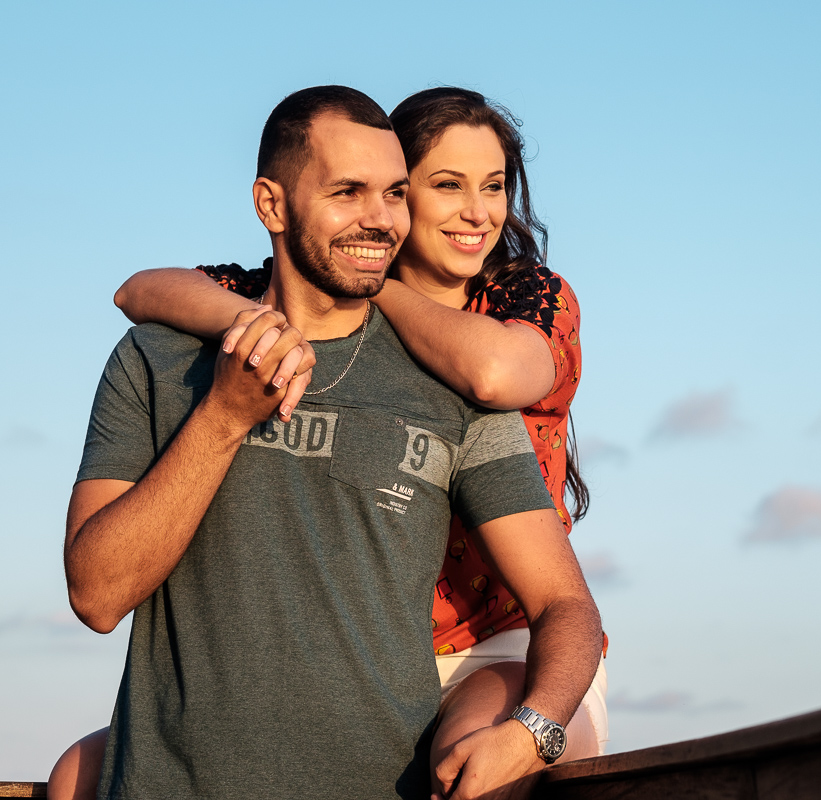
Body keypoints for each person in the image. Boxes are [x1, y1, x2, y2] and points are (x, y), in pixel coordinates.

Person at [58, 85, 601, 800]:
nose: (379, 220)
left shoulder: (463, 372)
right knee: (73, 774)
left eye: (394, 195)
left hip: (477, 664)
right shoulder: (161, 359)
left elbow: (567, 602)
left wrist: (535, 730)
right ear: (271, 205)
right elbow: (96, 596)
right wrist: (224, 410)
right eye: (349, 192)